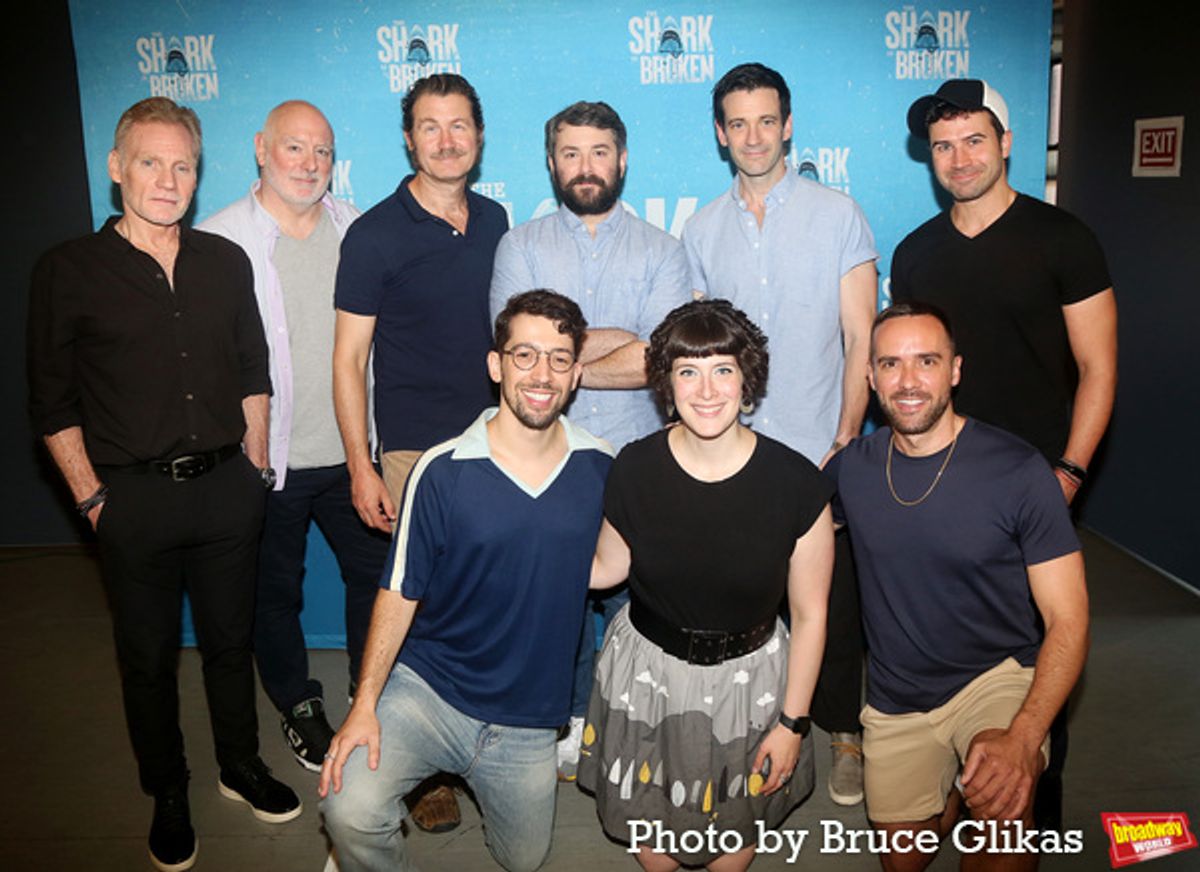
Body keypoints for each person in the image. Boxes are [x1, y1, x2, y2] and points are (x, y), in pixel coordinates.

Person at [27, 97, 300, 872]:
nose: (167, 178)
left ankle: (239, 765)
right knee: (145, 657)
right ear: (116, 168)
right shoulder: (68, 271)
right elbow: (51, 404)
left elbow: (254, 371)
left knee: (229, 642)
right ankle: (168, 789)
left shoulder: (225, 260)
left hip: (226, 490)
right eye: (150, 161)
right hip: (130, 499)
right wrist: (91, 498)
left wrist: (252, 467)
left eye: (182, 164)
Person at [320, 291, 613, 872]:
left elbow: (613, 569)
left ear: (577, 375)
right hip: (432, 690)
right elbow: (399, 590)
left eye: (559, 359)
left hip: (528, 718)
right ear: (495, 364)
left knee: (524, 860)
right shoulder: (443, 468)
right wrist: (365, 703)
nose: (541, 374)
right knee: (347, 806)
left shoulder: (602, 467)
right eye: (524, 355)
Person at [892, 78, 1117, 829]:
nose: (958, 159)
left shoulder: (1064, 239)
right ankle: (957, 791)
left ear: (1007, 142)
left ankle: (1033, 809)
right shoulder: (915, 254)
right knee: (946, 643)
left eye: (974, 140)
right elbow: (911, 376)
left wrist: (1070, 473)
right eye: (943, 145)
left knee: (1038, 653)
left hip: (1036, 488)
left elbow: (1099, 369)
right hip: (940, 492)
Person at [825, 302, 1089, 870]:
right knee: (904, 860)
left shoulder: (1017, 472)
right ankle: (945, 791)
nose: (909, 381)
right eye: (891, 364)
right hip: (897, 693)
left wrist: (1024, 735)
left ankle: (980, 788)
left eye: (927, 361)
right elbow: (778, 531)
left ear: (956, 371)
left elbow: (1068, 618)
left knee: (1002, 806)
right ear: (870, 377)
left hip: (995, 676)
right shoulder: (853, 469)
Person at [682, 62, 878, 805]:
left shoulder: (838, 215)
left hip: (822, 446)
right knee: (745, 599)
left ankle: (843, 734)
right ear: (720, 133)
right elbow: (699, 349)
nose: (753, 136)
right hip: (735, 452)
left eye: (767, 120)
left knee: (832, 601)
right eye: (737, 123)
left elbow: (862, 337)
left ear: (787, 125)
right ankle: (752, 726)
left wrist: (847, 437)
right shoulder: (700, 228)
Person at [580, 299, 834, 871]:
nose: (707, 390)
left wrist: (793, 723)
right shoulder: (634, 467)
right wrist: (524, 547)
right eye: (687, 371)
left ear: (748, 378)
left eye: (723, 369)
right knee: (659, 852)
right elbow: (608, 569)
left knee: (730, 842)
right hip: (646, 677)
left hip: (754, 687)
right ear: (666, 384)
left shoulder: (796, 484)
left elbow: (813, 614)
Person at [489, 100, 691, 780]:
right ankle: (570, 720)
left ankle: (631, 723)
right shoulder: (520, 246)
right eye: (570, 153)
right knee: (559, 600)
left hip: (639, 456)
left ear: (623, 158)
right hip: (545, 457)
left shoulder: (667, 250)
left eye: (599, 151)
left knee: (639, 605)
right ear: (551, 162)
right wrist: (612, 343)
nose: (585, 166)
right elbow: (519, 354)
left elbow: (659, 360)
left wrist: (560, 358)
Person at [333, 72, 508, 831]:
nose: (446, 139)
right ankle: (416, 775)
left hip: (497, 445)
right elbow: (348, 361)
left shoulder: (498, 219)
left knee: (484, 602)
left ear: (478, 134)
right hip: (413, 454)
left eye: (459, 125)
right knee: (418, 612)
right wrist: (362, 463)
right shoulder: (373, 233)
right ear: (409, 139)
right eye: (430, 126)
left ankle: (487, 747)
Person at [199, 100, 389, 772]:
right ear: (260, 147)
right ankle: (297, 704)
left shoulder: (359, 231)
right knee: (272, 592)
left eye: (322, 152)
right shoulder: (217, 240)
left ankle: (374, 697)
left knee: (380, 580)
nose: (310, 165)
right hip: (265, 461)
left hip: (354, 456)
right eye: (294, 148)